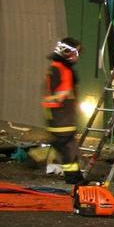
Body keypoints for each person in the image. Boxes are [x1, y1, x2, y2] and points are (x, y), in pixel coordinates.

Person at [42, 37, 83, 184]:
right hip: (62, 115)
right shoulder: (61, 69)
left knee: (66, 146)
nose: (75, 57)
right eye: (74, 53)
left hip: (59, 115)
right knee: (68, 146)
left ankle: (74, 175)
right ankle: (73, 177)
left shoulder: (56, 68)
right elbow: (61, 94)